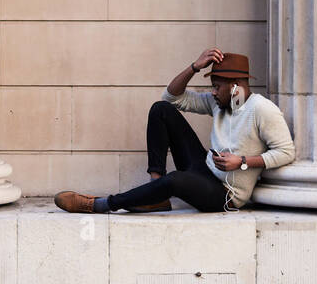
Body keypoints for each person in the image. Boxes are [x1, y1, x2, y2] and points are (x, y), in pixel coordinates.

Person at [54, 48, 295, 214]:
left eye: (216, 87)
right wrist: (194, 67)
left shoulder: (263, 110)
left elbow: (286, 152)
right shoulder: (219, 103)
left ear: (235, 86)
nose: (212, 92)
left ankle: (101, 205)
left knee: (177, 180)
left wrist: (241, 162)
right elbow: (172, 97)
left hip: (225, 196)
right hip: (205, 171)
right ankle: (156, 195)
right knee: (161, 109)